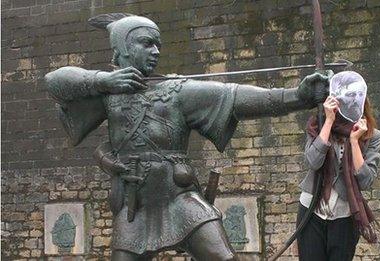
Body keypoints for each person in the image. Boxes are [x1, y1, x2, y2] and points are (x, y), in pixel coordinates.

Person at [45, 13, 332, 260]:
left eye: (157, 44)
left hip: (179, 198)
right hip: (134, 207)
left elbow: (235, 97)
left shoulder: (176, 91)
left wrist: (298, 96)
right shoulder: (108, 94)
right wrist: (102, 81)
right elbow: (54, 81)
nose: (155, 51)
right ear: (122, 48)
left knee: (221, 256)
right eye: (146, 43)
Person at [297, 72, 380, 261]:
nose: (347, 102)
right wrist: (327, 121)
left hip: (345, 214)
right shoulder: (317, 124)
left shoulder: (372, 136)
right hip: (311, 209)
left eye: (353, 97)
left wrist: (354, 141)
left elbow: (366, 180)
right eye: (343, 97)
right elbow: (312, 161)